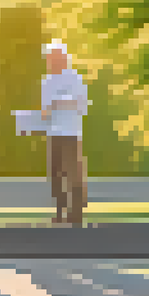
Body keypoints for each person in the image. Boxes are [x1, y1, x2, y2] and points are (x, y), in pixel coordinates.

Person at [42, 39, 92, 226]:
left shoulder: (75, 79)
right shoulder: (47, 82)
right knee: (56, 174)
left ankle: (76, 213)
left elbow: (82, 104)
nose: (50, 61)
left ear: (62, 58)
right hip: (54, 132)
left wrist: (59, 103)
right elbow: (46, 109)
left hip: (71, 132)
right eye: (48, 58)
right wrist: (43, 113)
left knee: (73, 174)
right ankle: (59, 211)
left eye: (53, 57)